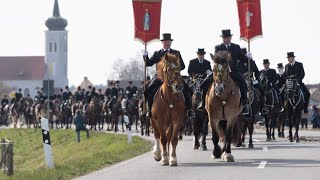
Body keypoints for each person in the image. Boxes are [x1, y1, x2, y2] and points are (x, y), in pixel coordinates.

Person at [143, 33, 194, 118]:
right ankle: (149, 110)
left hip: (174, 77)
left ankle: (189, 110)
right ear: (162, 43)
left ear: (171, 43)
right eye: (165, 42)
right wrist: (145, 56)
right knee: (149, 90)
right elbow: (148, 64)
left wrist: (176, 68)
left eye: (168, 42)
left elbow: (183, 66)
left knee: (188, 90)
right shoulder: (157, 53)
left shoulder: (176, 53)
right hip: (160, 76)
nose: (166, 43)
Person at [214, 29, 252, 115]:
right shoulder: (218, 47)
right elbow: (216, 59)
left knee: (243, 83)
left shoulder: (236, 47)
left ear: (230, 38)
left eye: (227, 37)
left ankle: (244, 104)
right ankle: (203, 103)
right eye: (224, 38)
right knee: (206, 82)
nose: (225, 39)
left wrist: (248, 57)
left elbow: (242, 59)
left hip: (233, 71)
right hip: (221, 71)